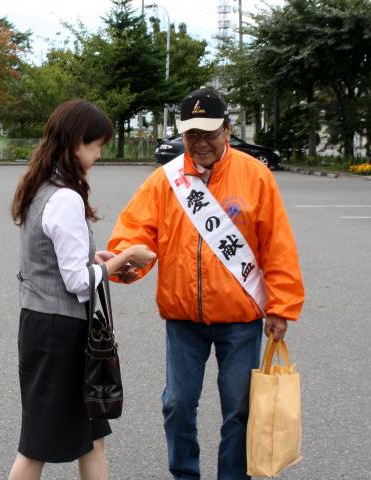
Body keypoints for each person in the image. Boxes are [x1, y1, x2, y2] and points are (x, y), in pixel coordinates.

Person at [107, 87, 305, 480]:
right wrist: (124, 263)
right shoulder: (166, 181)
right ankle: (185, 474)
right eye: (191, 135)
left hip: (240, 318)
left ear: (227, 131)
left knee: (240, 409)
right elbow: (136, 234)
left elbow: (277, 246)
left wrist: (281, 307)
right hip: (183, 317)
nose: (199, 144)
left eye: (208, 134)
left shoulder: (256, 176)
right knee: (177, 404)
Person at [8, 99, 156, 480]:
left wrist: (96, 259)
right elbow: (75, 281)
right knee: (36, 446)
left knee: (91, 435)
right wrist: (123, 260)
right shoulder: (66, 196)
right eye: (96, 145)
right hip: (61, 332)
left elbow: (56, 260)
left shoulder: (39, 186)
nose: (98, 154)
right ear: (77, 143)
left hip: (41, 323)